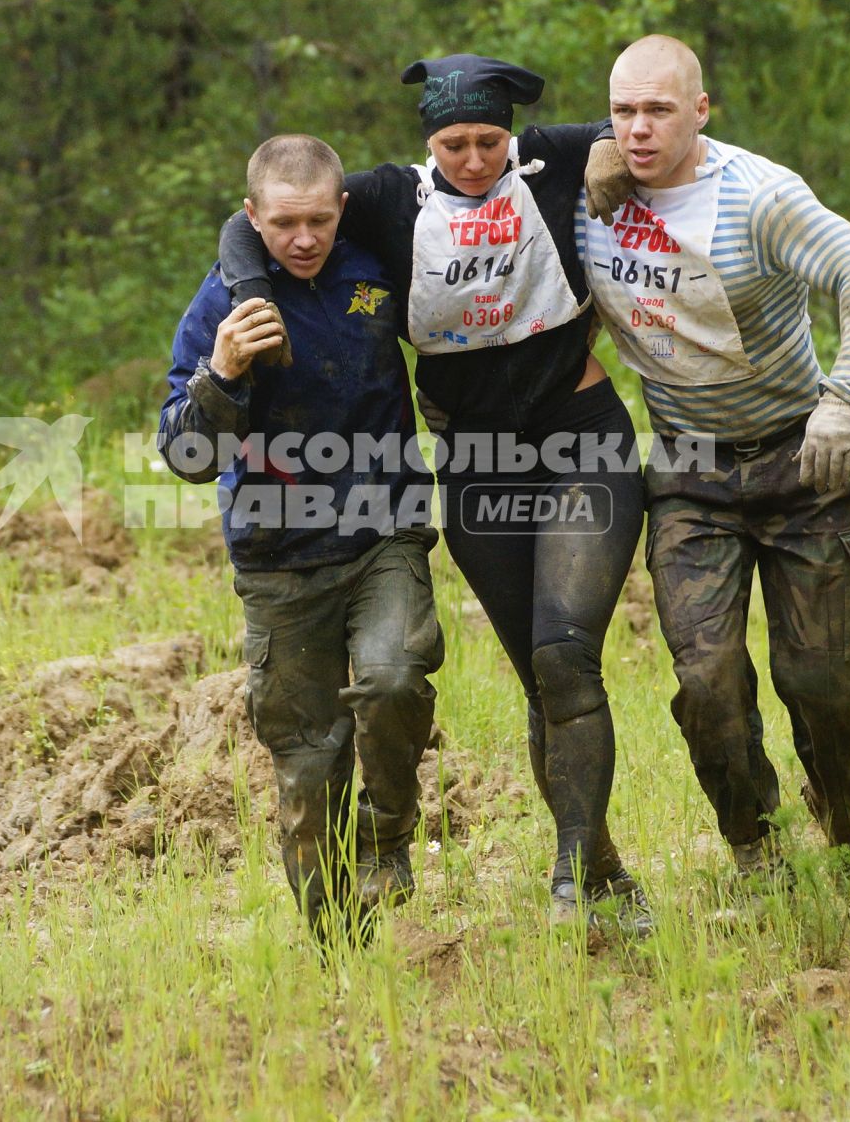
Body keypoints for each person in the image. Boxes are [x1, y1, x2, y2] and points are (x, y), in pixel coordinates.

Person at [217, 56, 650, 930]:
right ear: (428, 140)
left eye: (489, 140)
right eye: (454, 143)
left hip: (580, 439)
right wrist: (255, 294)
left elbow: (643, 137)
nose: (475, 159)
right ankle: (596, 857)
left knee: (567, 655)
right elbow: (247, 219)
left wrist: (606, 146)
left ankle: (574, 883)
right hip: (478, 458)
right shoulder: (389, 200)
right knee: (538, 674)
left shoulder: (549, 159)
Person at [581, 35, 850, 899]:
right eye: (623, 112)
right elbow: (481, 169)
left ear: (702, 110)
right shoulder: (589, 192)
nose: (639, 129)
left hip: (799, 461)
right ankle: (756, 851)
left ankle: (846, 823)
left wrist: (845, 397)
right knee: (708, 681)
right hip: (688, 473)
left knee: (825, 684)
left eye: (660, 110)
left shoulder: (760, 198)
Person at [159, 134, 444, 949]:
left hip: (383, 530)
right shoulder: (223, 303)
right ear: (253, 217)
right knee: (308, 762)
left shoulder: (374, 265)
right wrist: (221, 377)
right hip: (278, 559)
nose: (305, 238)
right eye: (284, 223)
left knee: (393, 678)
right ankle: (337, 952)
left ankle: (389, 840)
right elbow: (183, 454)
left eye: (319, 218)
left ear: (341, 209)